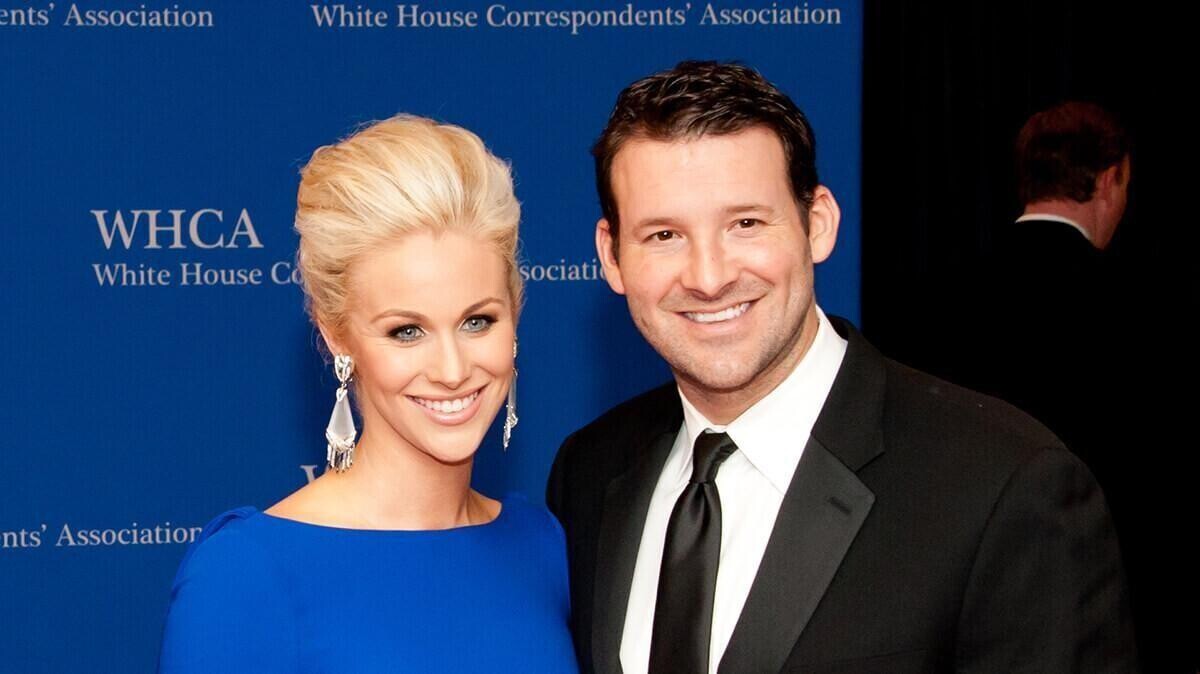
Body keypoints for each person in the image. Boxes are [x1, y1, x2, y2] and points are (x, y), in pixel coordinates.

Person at [547, 61, 1138, 673]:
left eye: (745, 223)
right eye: (664, 235)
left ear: (818, 224)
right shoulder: (590, 473)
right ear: (611, 256)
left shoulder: (1006, 488)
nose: (709, 276)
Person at [158, 115, 578, 673]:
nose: (452, 369)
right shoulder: (246, 575)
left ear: (515, 316)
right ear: (337, 335)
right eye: (407, 331)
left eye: (478, 321)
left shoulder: (541, 545)